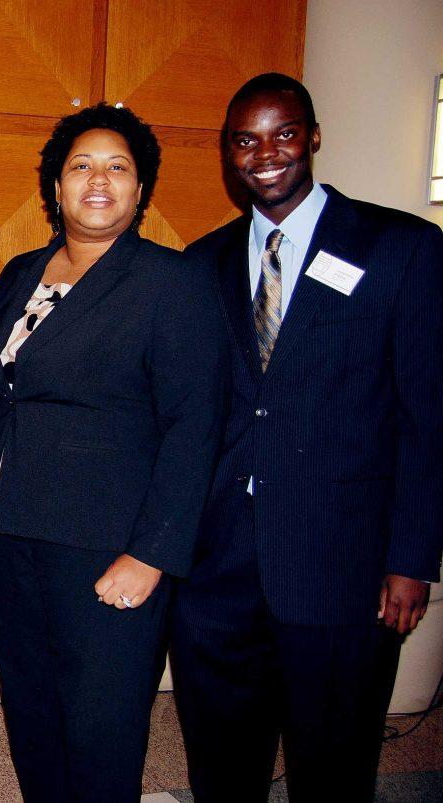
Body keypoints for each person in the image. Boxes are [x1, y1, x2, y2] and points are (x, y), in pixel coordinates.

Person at [170, 73, 443, 802]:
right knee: (222, 766)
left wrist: (413, 558)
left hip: (341, 566)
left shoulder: (401, 248)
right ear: (227, 152)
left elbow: (427, 417)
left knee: (334, 764)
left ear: (313, 136)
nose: (267, 154)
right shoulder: (200, 265)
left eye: (284, 133)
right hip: (217, 568)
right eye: (246, 140)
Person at [0, 103, 229, 803]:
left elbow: (197, 425)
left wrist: (153, 553)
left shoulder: (174, 281)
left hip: (109, 546)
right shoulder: (21, 272)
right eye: (80, 165)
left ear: (140, 189)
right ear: (54, 186)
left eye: (118, 167)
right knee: (33, 715)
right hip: (13, 533)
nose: (97, 180)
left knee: (101, 729)